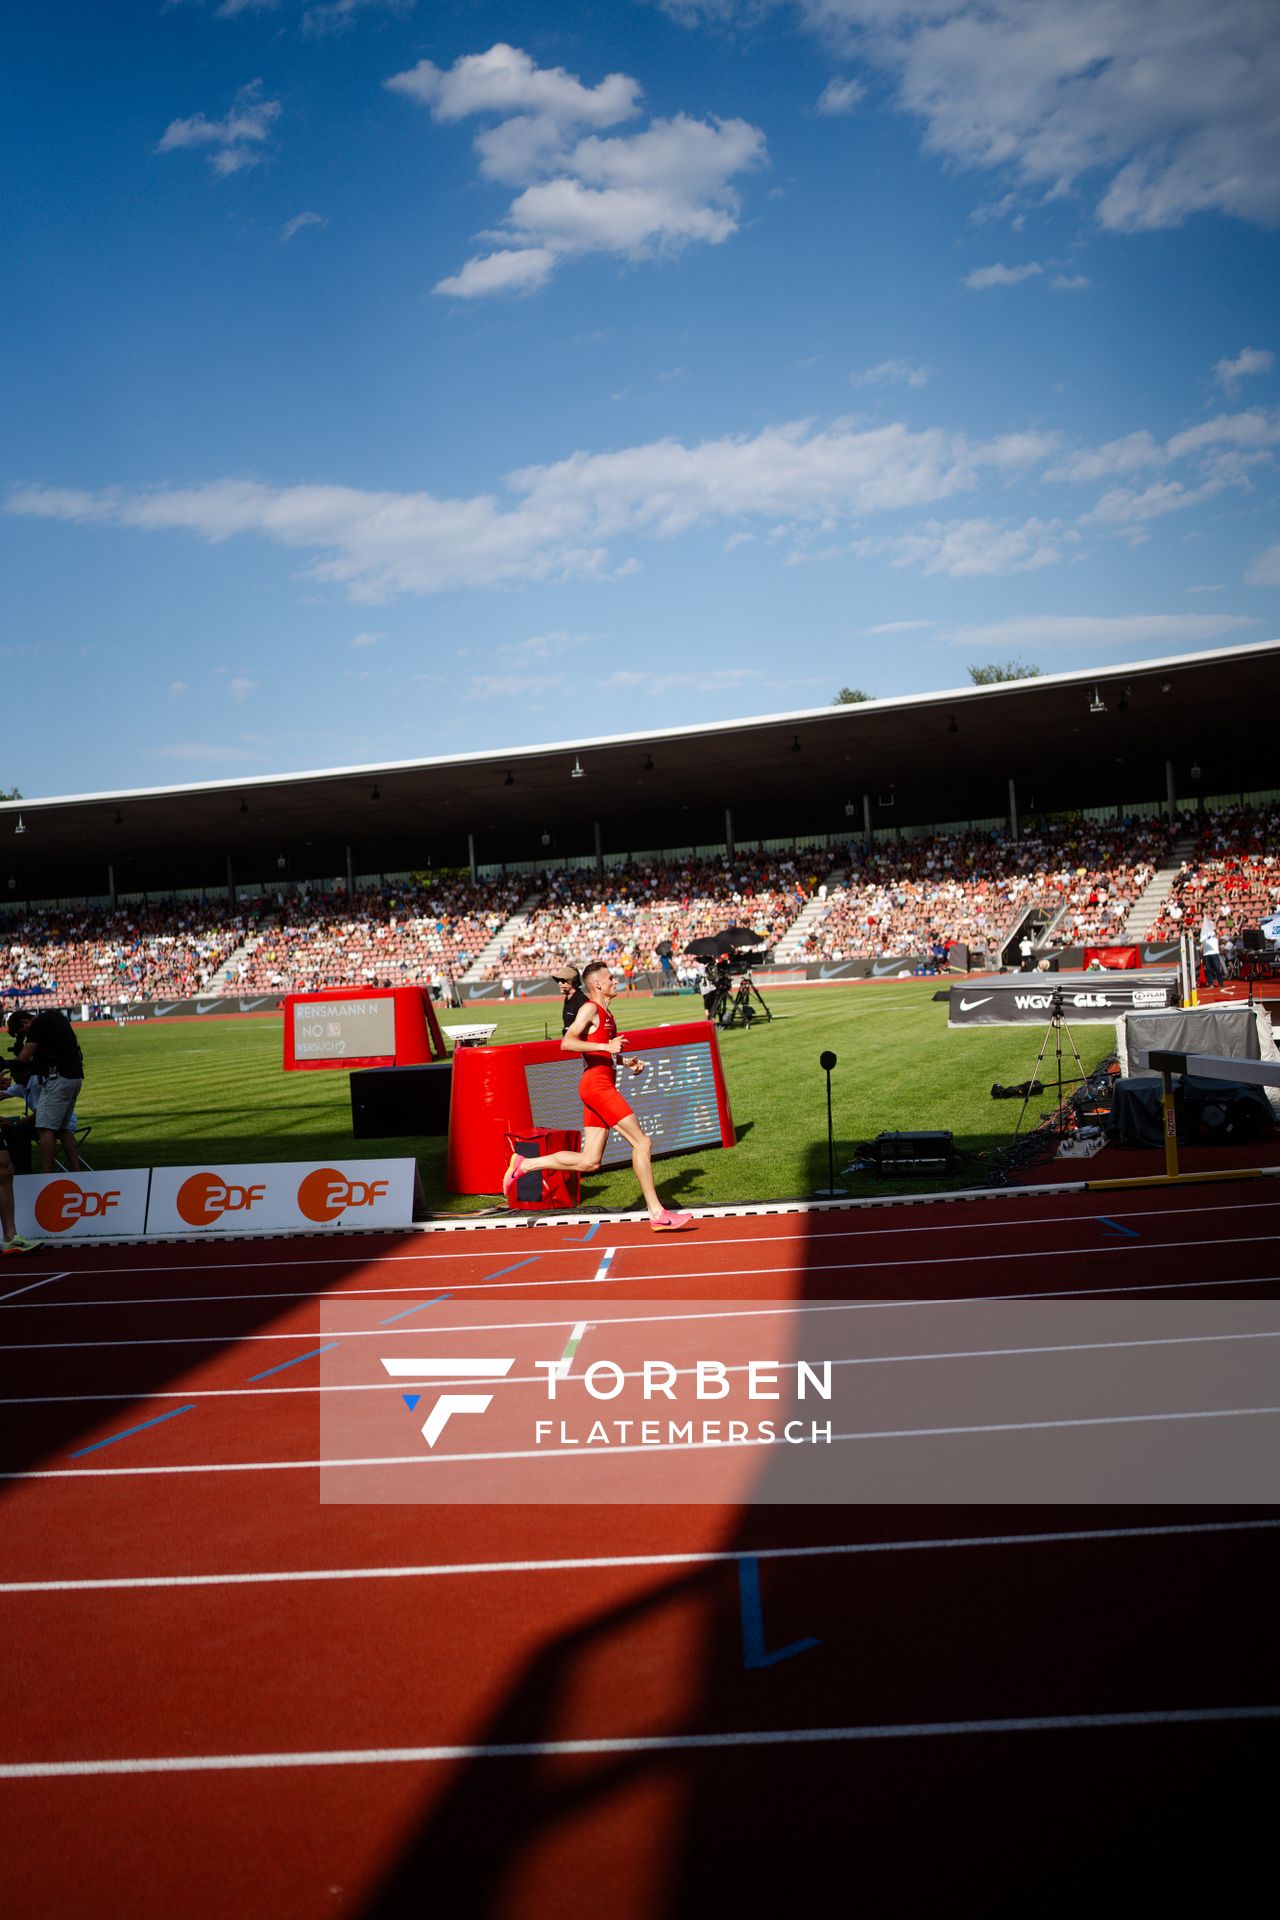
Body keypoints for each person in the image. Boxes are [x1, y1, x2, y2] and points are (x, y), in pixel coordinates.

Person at [504, 960, 694, 1232]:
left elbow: (600, 1053)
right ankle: (657, 1213)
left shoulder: (608, 1015)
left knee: (590, 1161)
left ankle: (526, 1164)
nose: (615, 981)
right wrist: (608, 1046)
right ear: (597, 984)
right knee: (642, 1142)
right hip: (596, 1087)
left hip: (600, 1083)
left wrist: (625, 1062)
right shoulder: (590, 1008)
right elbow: (566, 1042)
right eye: (610, 978)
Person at [7, 1006, 85, 1175]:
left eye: (23, 1033)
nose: (26, 1037)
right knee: (63, 1129)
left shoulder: (38, 1024)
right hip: (75, 1077)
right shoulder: (54, 1017)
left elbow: (24, 1058)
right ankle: (76, 1171)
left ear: (25, 1021)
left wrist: (7, 1063)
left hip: (59, 1078)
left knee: (45, 1128)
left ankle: (46, 1175)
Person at [553, 968, 588, 1033]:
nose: (559, 984)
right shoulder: (568, 998)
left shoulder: (582, 1001)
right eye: (558, 981)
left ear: (572, 982)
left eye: (563, 981)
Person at [1200, 915, 1226, 988]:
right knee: (1208, 969)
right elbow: (1202, 943)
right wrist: (1201, 955)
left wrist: (1214, 924)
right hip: (1206, 953)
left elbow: (1218, 933)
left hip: (1214, 952)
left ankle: (1220, 982)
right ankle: (1210, 983)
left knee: (1217, 968)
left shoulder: (1215, 932)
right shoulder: (1204, 934)